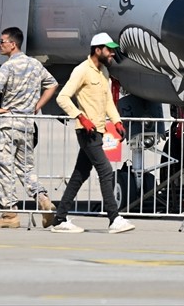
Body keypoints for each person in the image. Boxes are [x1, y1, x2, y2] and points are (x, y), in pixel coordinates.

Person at [50, 33, 135, 234]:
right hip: (86, 131)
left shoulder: (103, 71)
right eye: (109, 49)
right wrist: (80, 117)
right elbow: (62, 98)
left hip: (97, 130)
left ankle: (59, 219)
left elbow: (107, 102)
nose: (112, 53)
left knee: (79, 175)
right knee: (105, 171)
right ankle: (114, 218)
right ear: (97, 50)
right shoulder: (81, 70)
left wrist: (117, 121)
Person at [0, 26, 59, 228]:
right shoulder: (35, 64)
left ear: (13, 44)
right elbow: (52, 84)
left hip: (9, 123)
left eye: (2, 41)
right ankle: (43, 200)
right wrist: (37, 106)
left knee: (5, 168)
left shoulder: (8, 66)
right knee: (26, 168)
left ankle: (10, 214)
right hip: (27, 124)